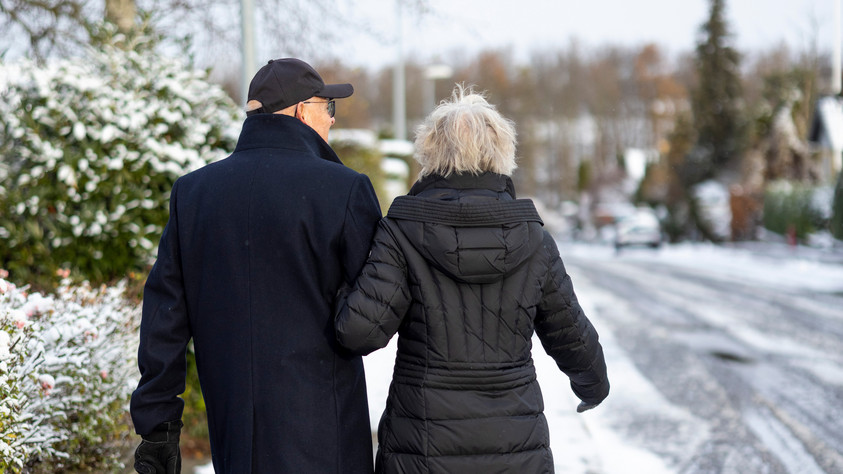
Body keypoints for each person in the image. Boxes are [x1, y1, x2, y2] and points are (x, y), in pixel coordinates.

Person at [335, 85, 610, 473]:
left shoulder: (402, 233)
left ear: (429, 152)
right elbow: (571, 332)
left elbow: (360, 332)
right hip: (515, 445)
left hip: (422, 445)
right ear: (502, 153)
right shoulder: (533, 239)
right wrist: (592, 384)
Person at [130, 58, 382, 474]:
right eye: (328, 108)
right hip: (326, 438)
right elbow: (377, 308)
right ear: (302, 110)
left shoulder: (193, 194)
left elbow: (164, 318)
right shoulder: (343, 190)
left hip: (235, 440)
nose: (332, 121)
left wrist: (158, 426)